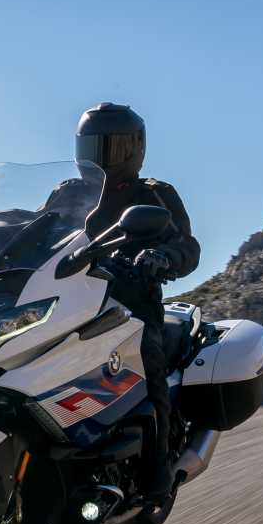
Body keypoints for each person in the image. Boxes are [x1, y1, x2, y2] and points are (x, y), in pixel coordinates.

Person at [73, 102, 201, 503]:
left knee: (147, 366)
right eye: (92, 147)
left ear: (134, 150)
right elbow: (36, 228)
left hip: (131, 307)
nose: (100, 158)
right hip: (71, 303)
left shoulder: (153, 194)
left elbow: (186, 245)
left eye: (111, 148)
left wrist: (162, 257)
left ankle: (157, 474)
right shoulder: (69, 194)